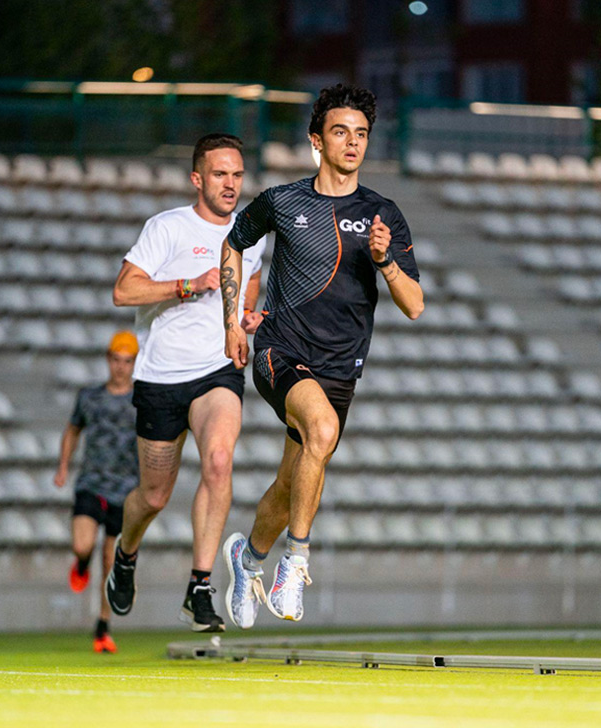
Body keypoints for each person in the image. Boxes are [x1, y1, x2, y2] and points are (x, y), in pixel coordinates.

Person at [219, 84, 424, 628]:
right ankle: (295, 562)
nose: (352, 142)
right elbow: (235, 243)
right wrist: (232, 320)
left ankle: (249, 558)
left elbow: (414, 305)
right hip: (280, 351)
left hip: (340, 369)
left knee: (291, 486)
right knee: (323, 431)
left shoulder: (383, 213)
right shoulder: (283, 202)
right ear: (317, 140)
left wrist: (384, 260)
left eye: (361, 133)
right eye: (340, 132)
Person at [106, 133, 266, 632]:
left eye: (237, 175)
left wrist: (245, 318)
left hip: (217, 370)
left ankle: (200, 586)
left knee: (219, 461)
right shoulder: (168, 227)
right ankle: (126, 552)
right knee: (153, 497)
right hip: (160, 377)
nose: (230, 184)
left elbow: (251, 282)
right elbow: (123, 290)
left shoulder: (252, 233)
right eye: (220, 174)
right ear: (198, 178)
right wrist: (187, 285)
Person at [53, 330, 140, 654]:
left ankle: (103, 626)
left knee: (111, 561)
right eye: (116, 360)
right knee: (82, 544)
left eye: (127, 361)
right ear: (108, 360)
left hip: (126, 489)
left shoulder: (140, 399)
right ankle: (80, 564)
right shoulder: (89, 397)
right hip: (91, 483)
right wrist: (64, 465)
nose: (120, 367)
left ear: (134, 363)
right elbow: (73, 429)